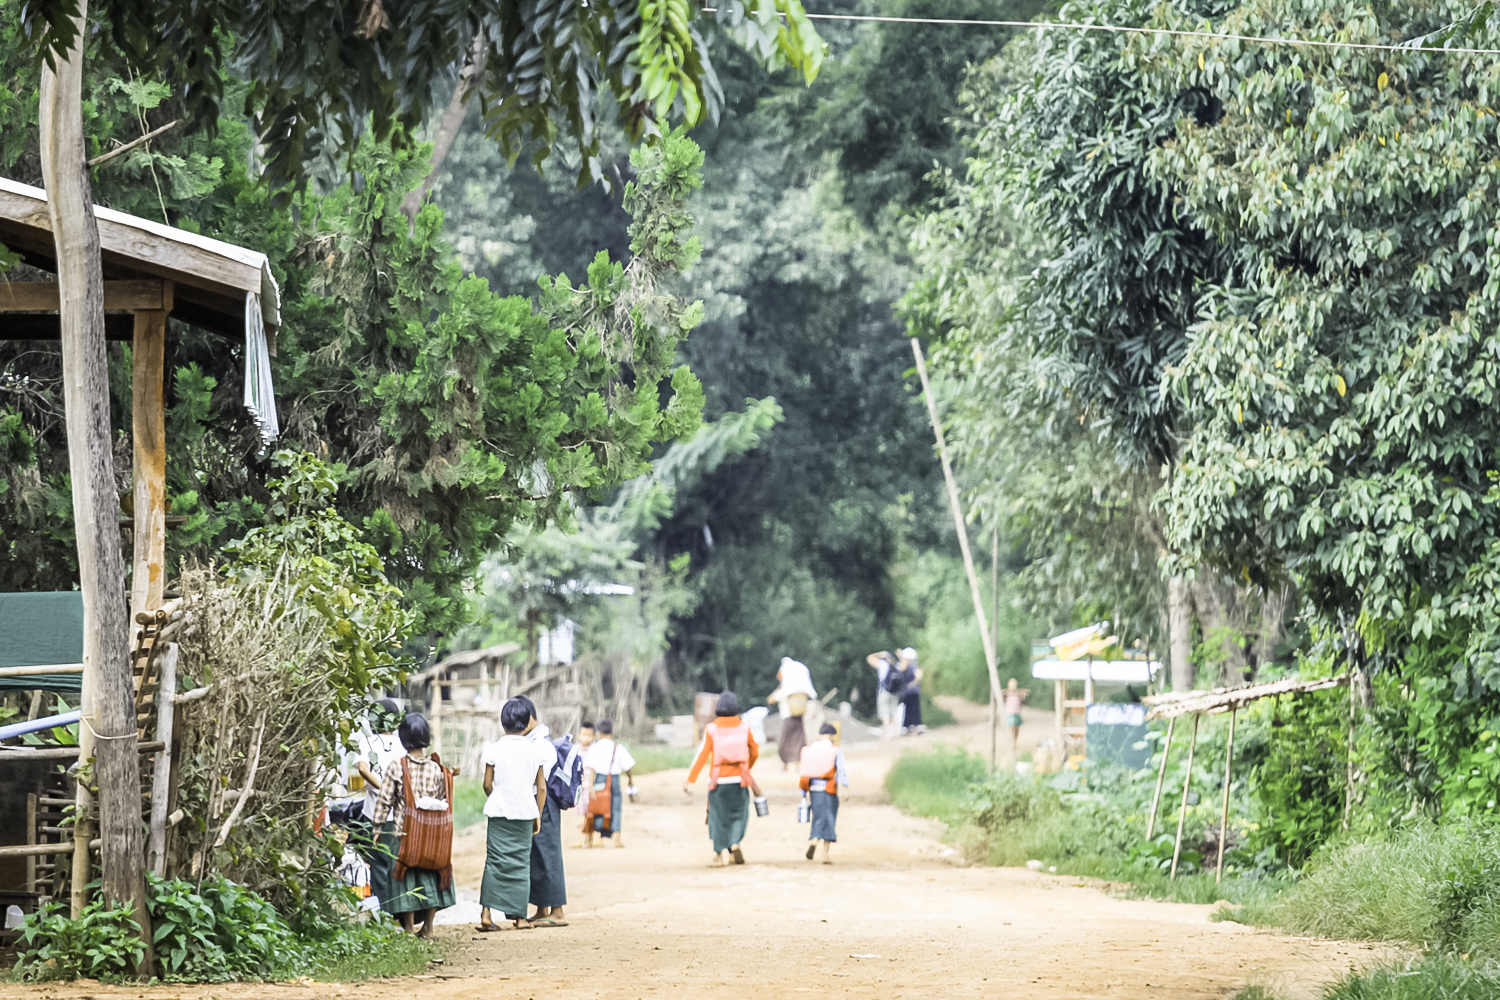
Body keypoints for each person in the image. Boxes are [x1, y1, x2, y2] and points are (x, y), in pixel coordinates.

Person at [371, 714, 456, 936]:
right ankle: (428, 927)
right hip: (431, 837)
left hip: (404, 835)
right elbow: (441, 801)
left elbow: (384, 800)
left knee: (405, 879)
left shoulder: (397, 768)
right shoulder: (437, 769)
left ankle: (408, 927)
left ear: (403, 739)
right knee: (431, 877)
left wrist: (377, 828)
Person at [477, 698, 548, 931]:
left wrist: (498, 799)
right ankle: (520, 917)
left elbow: (487, 784)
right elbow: (542, 787)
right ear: (527, 722)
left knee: (494, 861)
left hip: (499, 812)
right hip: (525, 813)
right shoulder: (535, 750)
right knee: (520, 864)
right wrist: (537, 813)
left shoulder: (494, 748)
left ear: (503, 723)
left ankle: (486, 914)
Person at [684, 691, 761, 866]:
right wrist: (746, 767)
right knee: (738, 815)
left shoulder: (711, 729)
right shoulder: (744, 728)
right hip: (739, 781)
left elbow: (703, 755)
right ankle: (734, 844)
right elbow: (755, 751)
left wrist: (691, 779)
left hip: (718, 781)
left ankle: (718, 856)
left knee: (718, 817)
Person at [517, 695, 572, 926]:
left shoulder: (541, 744)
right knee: (537, 854)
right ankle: (542, 908)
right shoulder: (533, 741)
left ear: (529, 720)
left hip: (543, 802)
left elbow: (539, 781)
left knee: (548, 854)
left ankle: (557, 911)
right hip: (536, 801)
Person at [581, 720, 636, 847]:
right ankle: (616, 839)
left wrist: (591, 788)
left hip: (599, 780)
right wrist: (630, 781)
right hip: (614, 780)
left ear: (599, 733)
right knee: (616, 808)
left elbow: (591, 770)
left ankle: (589, 840)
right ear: (612, 732)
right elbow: (628, 767)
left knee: (595, 808)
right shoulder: (618, 748)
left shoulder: (594, 748)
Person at [799, 722, 849, 864]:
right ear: (832, 735)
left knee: (818, 816)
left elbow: (804, 772)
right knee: (829, 819)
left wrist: (802, 792)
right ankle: (825, 854)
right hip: (828, 789)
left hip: (814, 790)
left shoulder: (809, 750)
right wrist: (846, 788)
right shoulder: (835, 750)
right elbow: (842, 769)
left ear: (820, 734)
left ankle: (814, 839)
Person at [768, 657, 816, 769]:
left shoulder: (785, 690)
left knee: (785, 741)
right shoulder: (794, 689)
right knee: (799, 741)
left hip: (788, 717)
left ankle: (786, 765)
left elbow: (771, 699)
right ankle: (796, 765)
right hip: (799, 717)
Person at [866, 651, 898, 739]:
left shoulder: (883, 664)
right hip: (894, 692)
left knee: (885, 714)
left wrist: (879, 654)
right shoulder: (897, 666)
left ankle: (886, 734)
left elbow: (869, 658)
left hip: (883, 692)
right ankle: (895, 733)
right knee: (894, 713)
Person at [894, 647, 924, 734]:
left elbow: (919, 675)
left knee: (912, 709)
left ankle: (912, 727)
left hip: (911, 691)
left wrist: (913, 683)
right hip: (910, 691)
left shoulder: (911, 666)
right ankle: (911, 727)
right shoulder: (909, 665)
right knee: (911, 709)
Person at [1003, 678, 1031, 757]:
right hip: (1010, 714)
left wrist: (1019, 691)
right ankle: (1011, 744)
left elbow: (1027, 692)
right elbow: (1001, 692)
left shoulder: (1018, 694)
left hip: (1017, 713)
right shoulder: (1007, 694)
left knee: (1016, 730)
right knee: (1011, 729)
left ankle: (1014, 743)